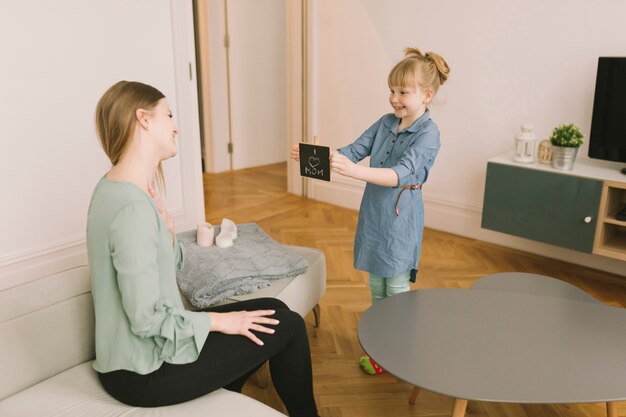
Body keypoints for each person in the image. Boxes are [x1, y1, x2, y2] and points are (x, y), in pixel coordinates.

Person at [87, 80, 319, 416]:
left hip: (141, 356)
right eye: (168, 115)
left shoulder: (113, 188)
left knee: (271, 309)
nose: (175, 126)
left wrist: (166, 234)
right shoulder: (132, 208)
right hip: (144, 371)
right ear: (144, 119)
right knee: (290, 327)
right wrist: (220, 322)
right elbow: (146, 320)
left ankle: (219, 393)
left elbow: (161, 267)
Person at [290, 47, 450, 375]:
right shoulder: (385, 123)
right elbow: (354, 150)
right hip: (374, 213)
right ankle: (382, 351)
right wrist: (319, 155)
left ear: (427, 95)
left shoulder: (430, 134)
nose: (394, 98)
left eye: (403, 91)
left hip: (400, 216)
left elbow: (399, 173)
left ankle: (400, 352)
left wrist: (353, 171)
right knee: (377, 288)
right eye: (392, 90)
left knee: (397, 288)